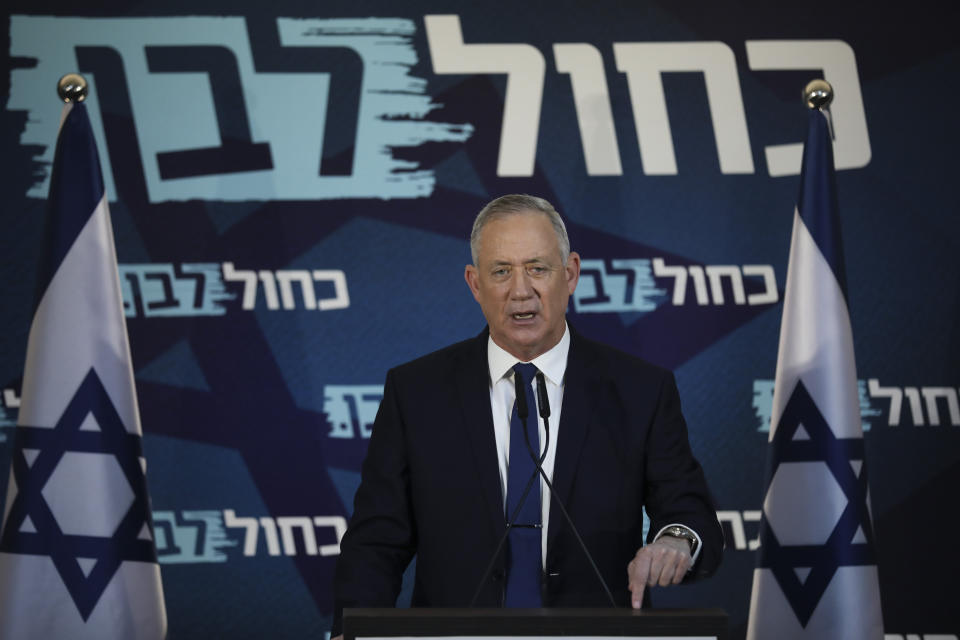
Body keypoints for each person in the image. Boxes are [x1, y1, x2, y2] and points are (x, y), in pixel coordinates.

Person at [331, 195, 722, 637]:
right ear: (475, 284)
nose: (521, 290)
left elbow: (688, 507)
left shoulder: (639, 390)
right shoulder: (417, 392)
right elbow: (375, 541)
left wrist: (676, 539)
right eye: (501, 271)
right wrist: (353, 630)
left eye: (538, 268)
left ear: (570, 273)